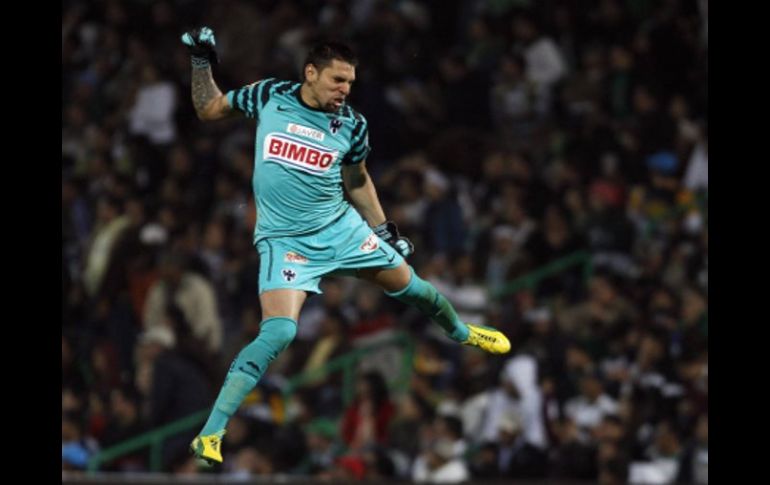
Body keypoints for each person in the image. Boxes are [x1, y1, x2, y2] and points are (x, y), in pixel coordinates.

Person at [180, 27, 511, 465]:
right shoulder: (269, 95)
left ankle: (463, 333)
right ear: (310, 73)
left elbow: (356, 178)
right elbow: (208, 108)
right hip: (286, 240)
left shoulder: (352, 124)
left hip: (342, 231)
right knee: (280, 330)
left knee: (415, 288)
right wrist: (202, 63)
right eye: (338, 80)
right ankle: (211, 433)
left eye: (350, 83)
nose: (345, 90)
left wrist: (384, 228)